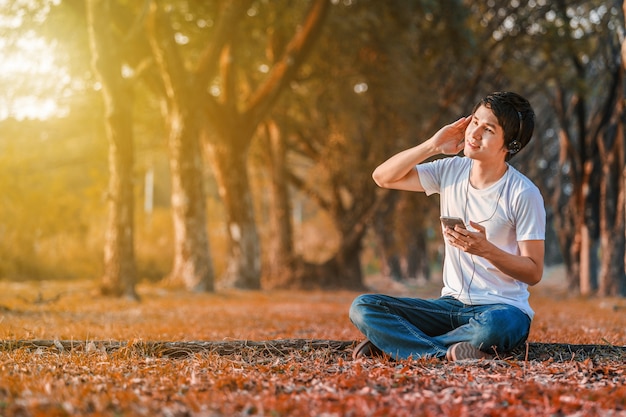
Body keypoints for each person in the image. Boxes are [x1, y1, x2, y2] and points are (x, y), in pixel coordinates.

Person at [350, 91, 545, 361]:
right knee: (364, 307)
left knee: (495, 328)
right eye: (474, 122)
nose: (474, 134)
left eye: (487, 129)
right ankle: (448, 353)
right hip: (449, 306)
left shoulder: (523, 193)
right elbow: (382, 177)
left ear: (510, 145)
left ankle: (397, 346)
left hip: (501, 308)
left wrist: (487, 250)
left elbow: (533, 271)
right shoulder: (450, 171)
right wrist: (431, 146)